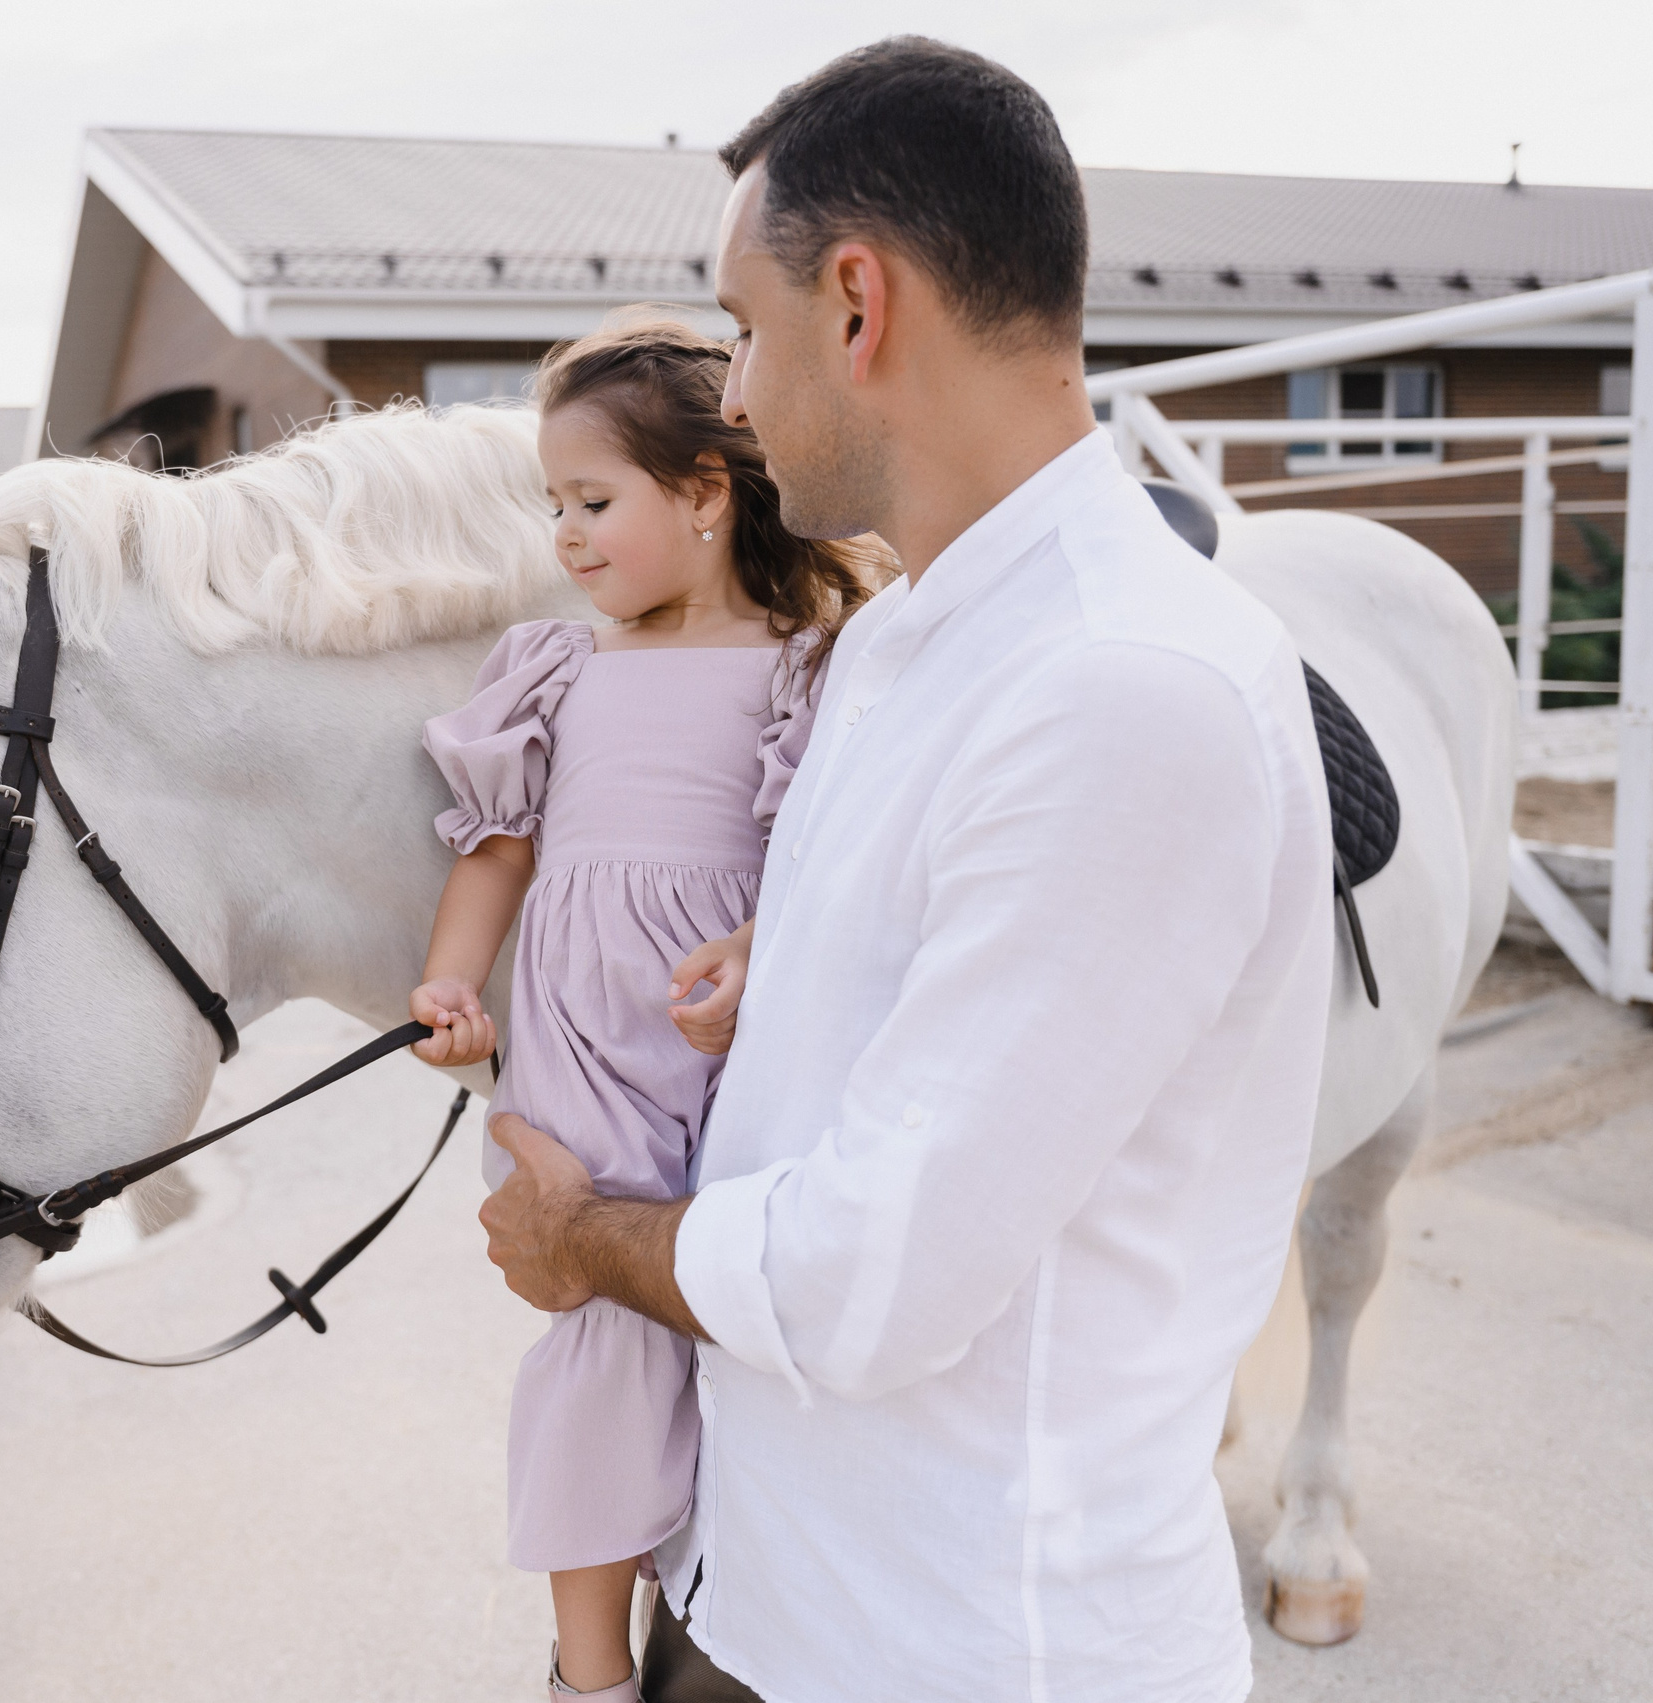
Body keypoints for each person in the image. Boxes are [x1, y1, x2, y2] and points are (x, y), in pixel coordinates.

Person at [477, 38, 1334, 1703]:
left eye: (745, 326)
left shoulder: (1118, 690)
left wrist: (588, 1244)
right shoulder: (907, 643)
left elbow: (871, 1282)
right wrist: (777, 970)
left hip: (949, 1647)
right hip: (768, 1585)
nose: (729, 390)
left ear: (857, 305)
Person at [409, 315, 887, 1701]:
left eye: (593, 501)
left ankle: (749, 1604)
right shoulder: (560, 667)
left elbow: (819, 863)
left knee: (734, 1295)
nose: (564, 534)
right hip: (585, 1047)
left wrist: (755, 948)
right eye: (553, 505)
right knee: (608, 1319)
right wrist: (453, 980)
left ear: (703, 494)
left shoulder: (811, 663)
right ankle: (588, 1670)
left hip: (729, 1039)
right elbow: (496, 848)